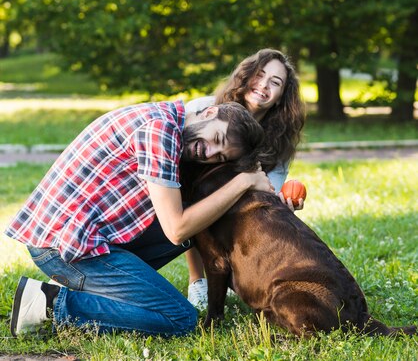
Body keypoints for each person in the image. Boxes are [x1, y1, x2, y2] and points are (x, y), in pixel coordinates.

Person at [5, 99, 273, 337]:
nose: (210, 152)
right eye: (217, 138)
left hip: (84, 237)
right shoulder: (160, 132)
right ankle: (50, 304)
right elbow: (176, 229)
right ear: (209, 112)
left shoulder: (168, 121)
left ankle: (90, 289)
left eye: (220, 156)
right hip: (62, 249)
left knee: (201, 221)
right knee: (180, 318)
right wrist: (245, 182)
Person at [185, 48, 306, 308]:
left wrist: (283, 204)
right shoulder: (205, 108)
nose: (264, 85)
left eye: (275, 83)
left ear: (280, 98)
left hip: (239, 204)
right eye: (259, 75)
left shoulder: (279, 140)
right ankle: (197, 281)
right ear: (245, 76)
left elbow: (267, 192)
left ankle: (234, 275)